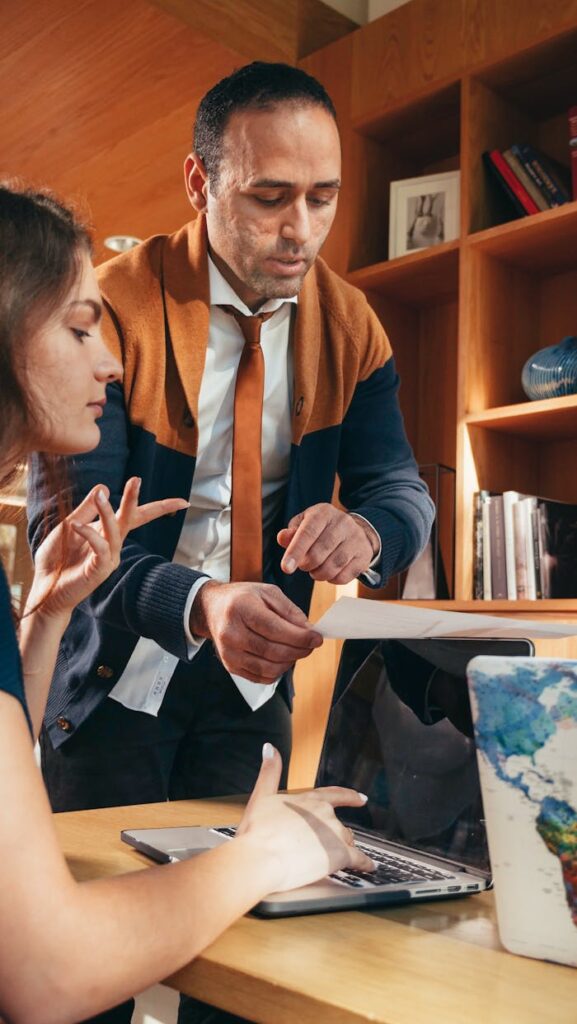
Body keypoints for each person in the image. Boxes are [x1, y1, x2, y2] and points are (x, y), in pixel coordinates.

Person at [28, 61, 434, 1022]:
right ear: (199, 183)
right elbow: (73, 536)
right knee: (87, 967)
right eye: (270, 197)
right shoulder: (109, 311)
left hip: (257, 677)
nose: (301, 230)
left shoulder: (353, 327)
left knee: (249, 951)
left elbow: (399, 487)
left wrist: (364, 527)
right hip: (114, 671)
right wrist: (200, 602)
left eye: (323, 197)